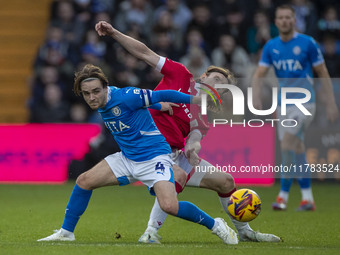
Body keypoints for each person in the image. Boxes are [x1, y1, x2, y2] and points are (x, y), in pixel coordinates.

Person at [91, 21, 281, 244]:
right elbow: (145, 53)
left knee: (227, 182)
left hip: (172, 154)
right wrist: (114, 33)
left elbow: (194, 138)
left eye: (224, 87)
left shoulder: (202, 116)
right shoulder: (180, 74)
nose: (219, 86)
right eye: (218, 80)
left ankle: (245, 231)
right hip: (147, 149)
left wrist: (193, 149)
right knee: (173, 178)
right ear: (204, 76)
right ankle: (151, 231)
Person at [37, 47, 239, 245]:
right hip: (127, 158)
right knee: (83, 180)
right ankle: (66, 232)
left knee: (168, 205)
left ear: (106, 88)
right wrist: (160, 107)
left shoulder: (126, 95)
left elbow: (161, 94)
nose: (91, 97)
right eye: (87, 93)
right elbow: (150, 103)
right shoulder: (103, 100)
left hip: (155, 158)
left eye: (96, 92)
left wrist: (194, 99)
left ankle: (216, 224)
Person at [252, 5, 339, 211]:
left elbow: (323, 72)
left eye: (288, 17)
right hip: (284, 105)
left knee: (287, 145)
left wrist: (331, 102)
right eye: (280, 18)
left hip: (305, 103)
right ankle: (308, 198)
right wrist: (254, 96)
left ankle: (282, 196)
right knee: (297, 149)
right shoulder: (271, 46)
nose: (284, 21)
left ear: (294, 20)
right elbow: (259, 74)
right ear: (276, 22)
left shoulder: (307, 43)